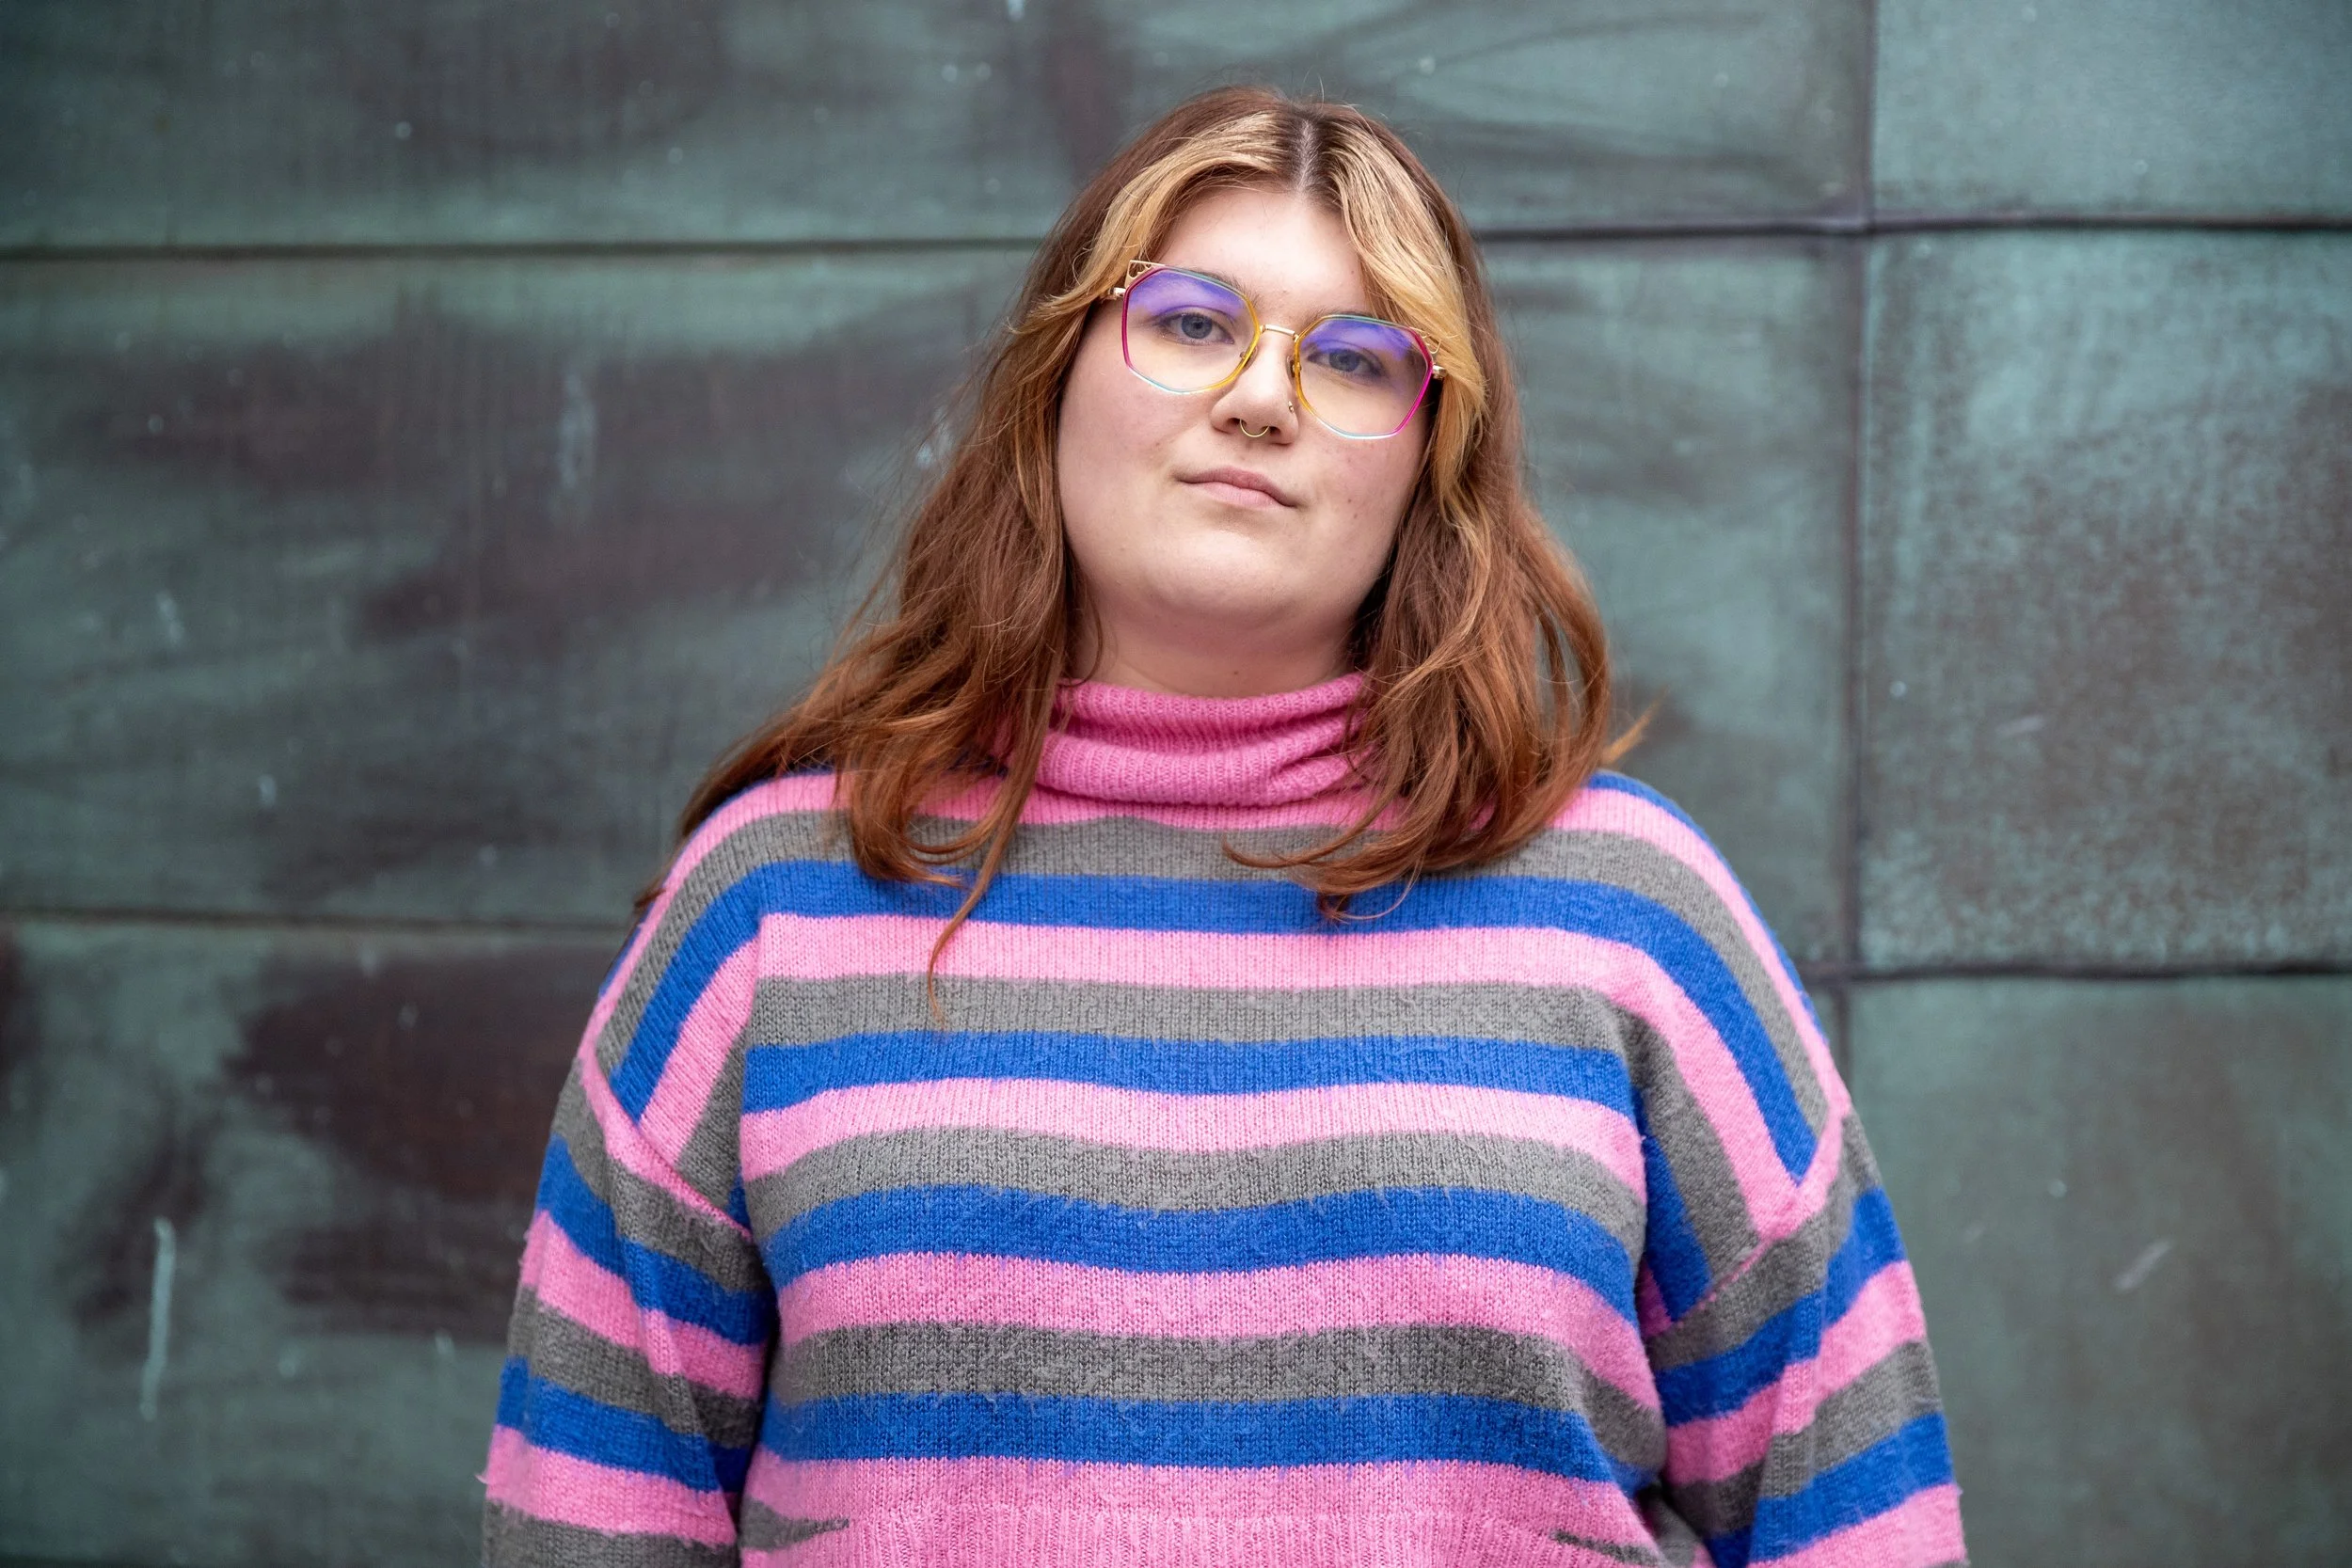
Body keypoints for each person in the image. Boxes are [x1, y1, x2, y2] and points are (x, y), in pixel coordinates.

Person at [482, 86, 1965, 1568]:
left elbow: (1861, 1523)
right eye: (1192, 321)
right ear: (1061, 367)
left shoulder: (1630, 912)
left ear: (1429, 456)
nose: (1259, 397)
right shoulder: (774, 901)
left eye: (1355, 359)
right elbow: (586, 1515)